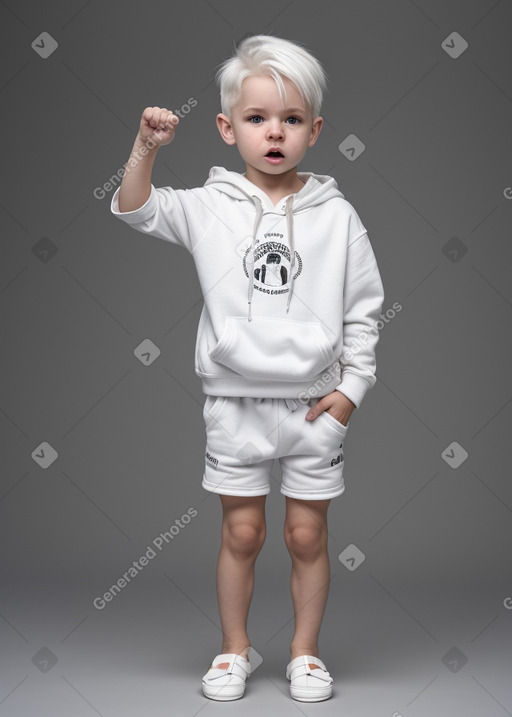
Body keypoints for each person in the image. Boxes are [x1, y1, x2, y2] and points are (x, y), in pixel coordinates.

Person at [111, 33, 385, 703]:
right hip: (234, 404)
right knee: (242, 530)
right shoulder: (209, 208)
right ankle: (234, 648)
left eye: (291, 120)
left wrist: (351, 388)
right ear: (227, 128)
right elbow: (135, 208)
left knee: (304, 532)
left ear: (314, 131)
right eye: (258, 118)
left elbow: (365, 311)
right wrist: (145, 147)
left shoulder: (339, 217)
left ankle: (305, 653)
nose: (274, 132)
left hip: (313, 405)